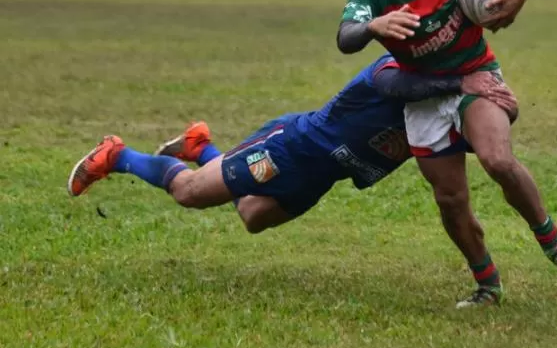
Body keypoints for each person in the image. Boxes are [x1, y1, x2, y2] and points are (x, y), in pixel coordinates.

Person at [336, 0, 557, 308]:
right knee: (450, 199)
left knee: (497, 159)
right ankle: (488, 285)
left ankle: (554, 243)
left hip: (477, 75)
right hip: (422, 95)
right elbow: (345, 36)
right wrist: (372, 26)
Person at [67, 55, 515, 236]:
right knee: (188, 194)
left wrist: (498, 108)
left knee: (252, 216)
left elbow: (476, 139)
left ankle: (201, 146)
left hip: (321, 176)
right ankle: (119, 155)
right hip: (292, 149)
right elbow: (392, 79)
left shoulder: (449, 106)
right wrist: (459, 81)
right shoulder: (399, 71)